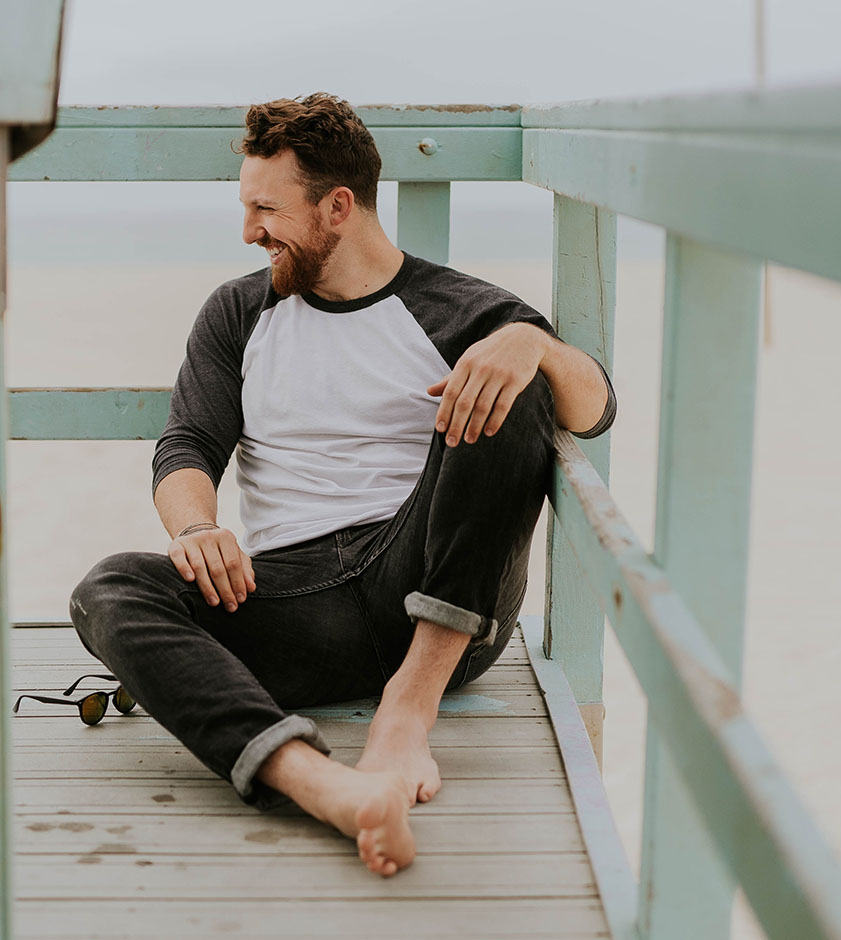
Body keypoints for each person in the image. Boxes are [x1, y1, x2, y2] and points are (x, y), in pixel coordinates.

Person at [69, 92, 616, 878]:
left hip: (433, 585)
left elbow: (593, 411)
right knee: (110, 588)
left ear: (337, 207)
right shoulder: (237, 313)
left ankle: (407, 709)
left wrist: (531, 342)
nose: (249, 230)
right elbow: (187, 444)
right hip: (294, 599)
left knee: (517, 380)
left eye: (266, 208)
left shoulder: (462, 309)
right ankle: (323, 786)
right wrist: (196, 530)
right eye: (245, 206)